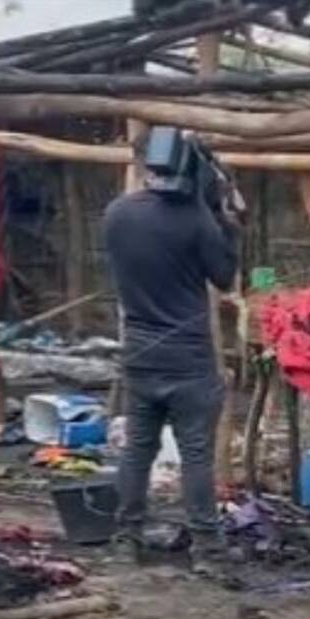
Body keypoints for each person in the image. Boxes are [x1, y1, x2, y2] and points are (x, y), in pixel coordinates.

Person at [103, 128, 241, 552]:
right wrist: (222, 215)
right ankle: (207, 546)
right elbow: (225, 276)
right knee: (195, 455)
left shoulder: (117, 213)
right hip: (189, 360)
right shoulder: (195, 219)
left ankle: (127, 536)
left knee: (137, 450)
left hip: (139, 354)